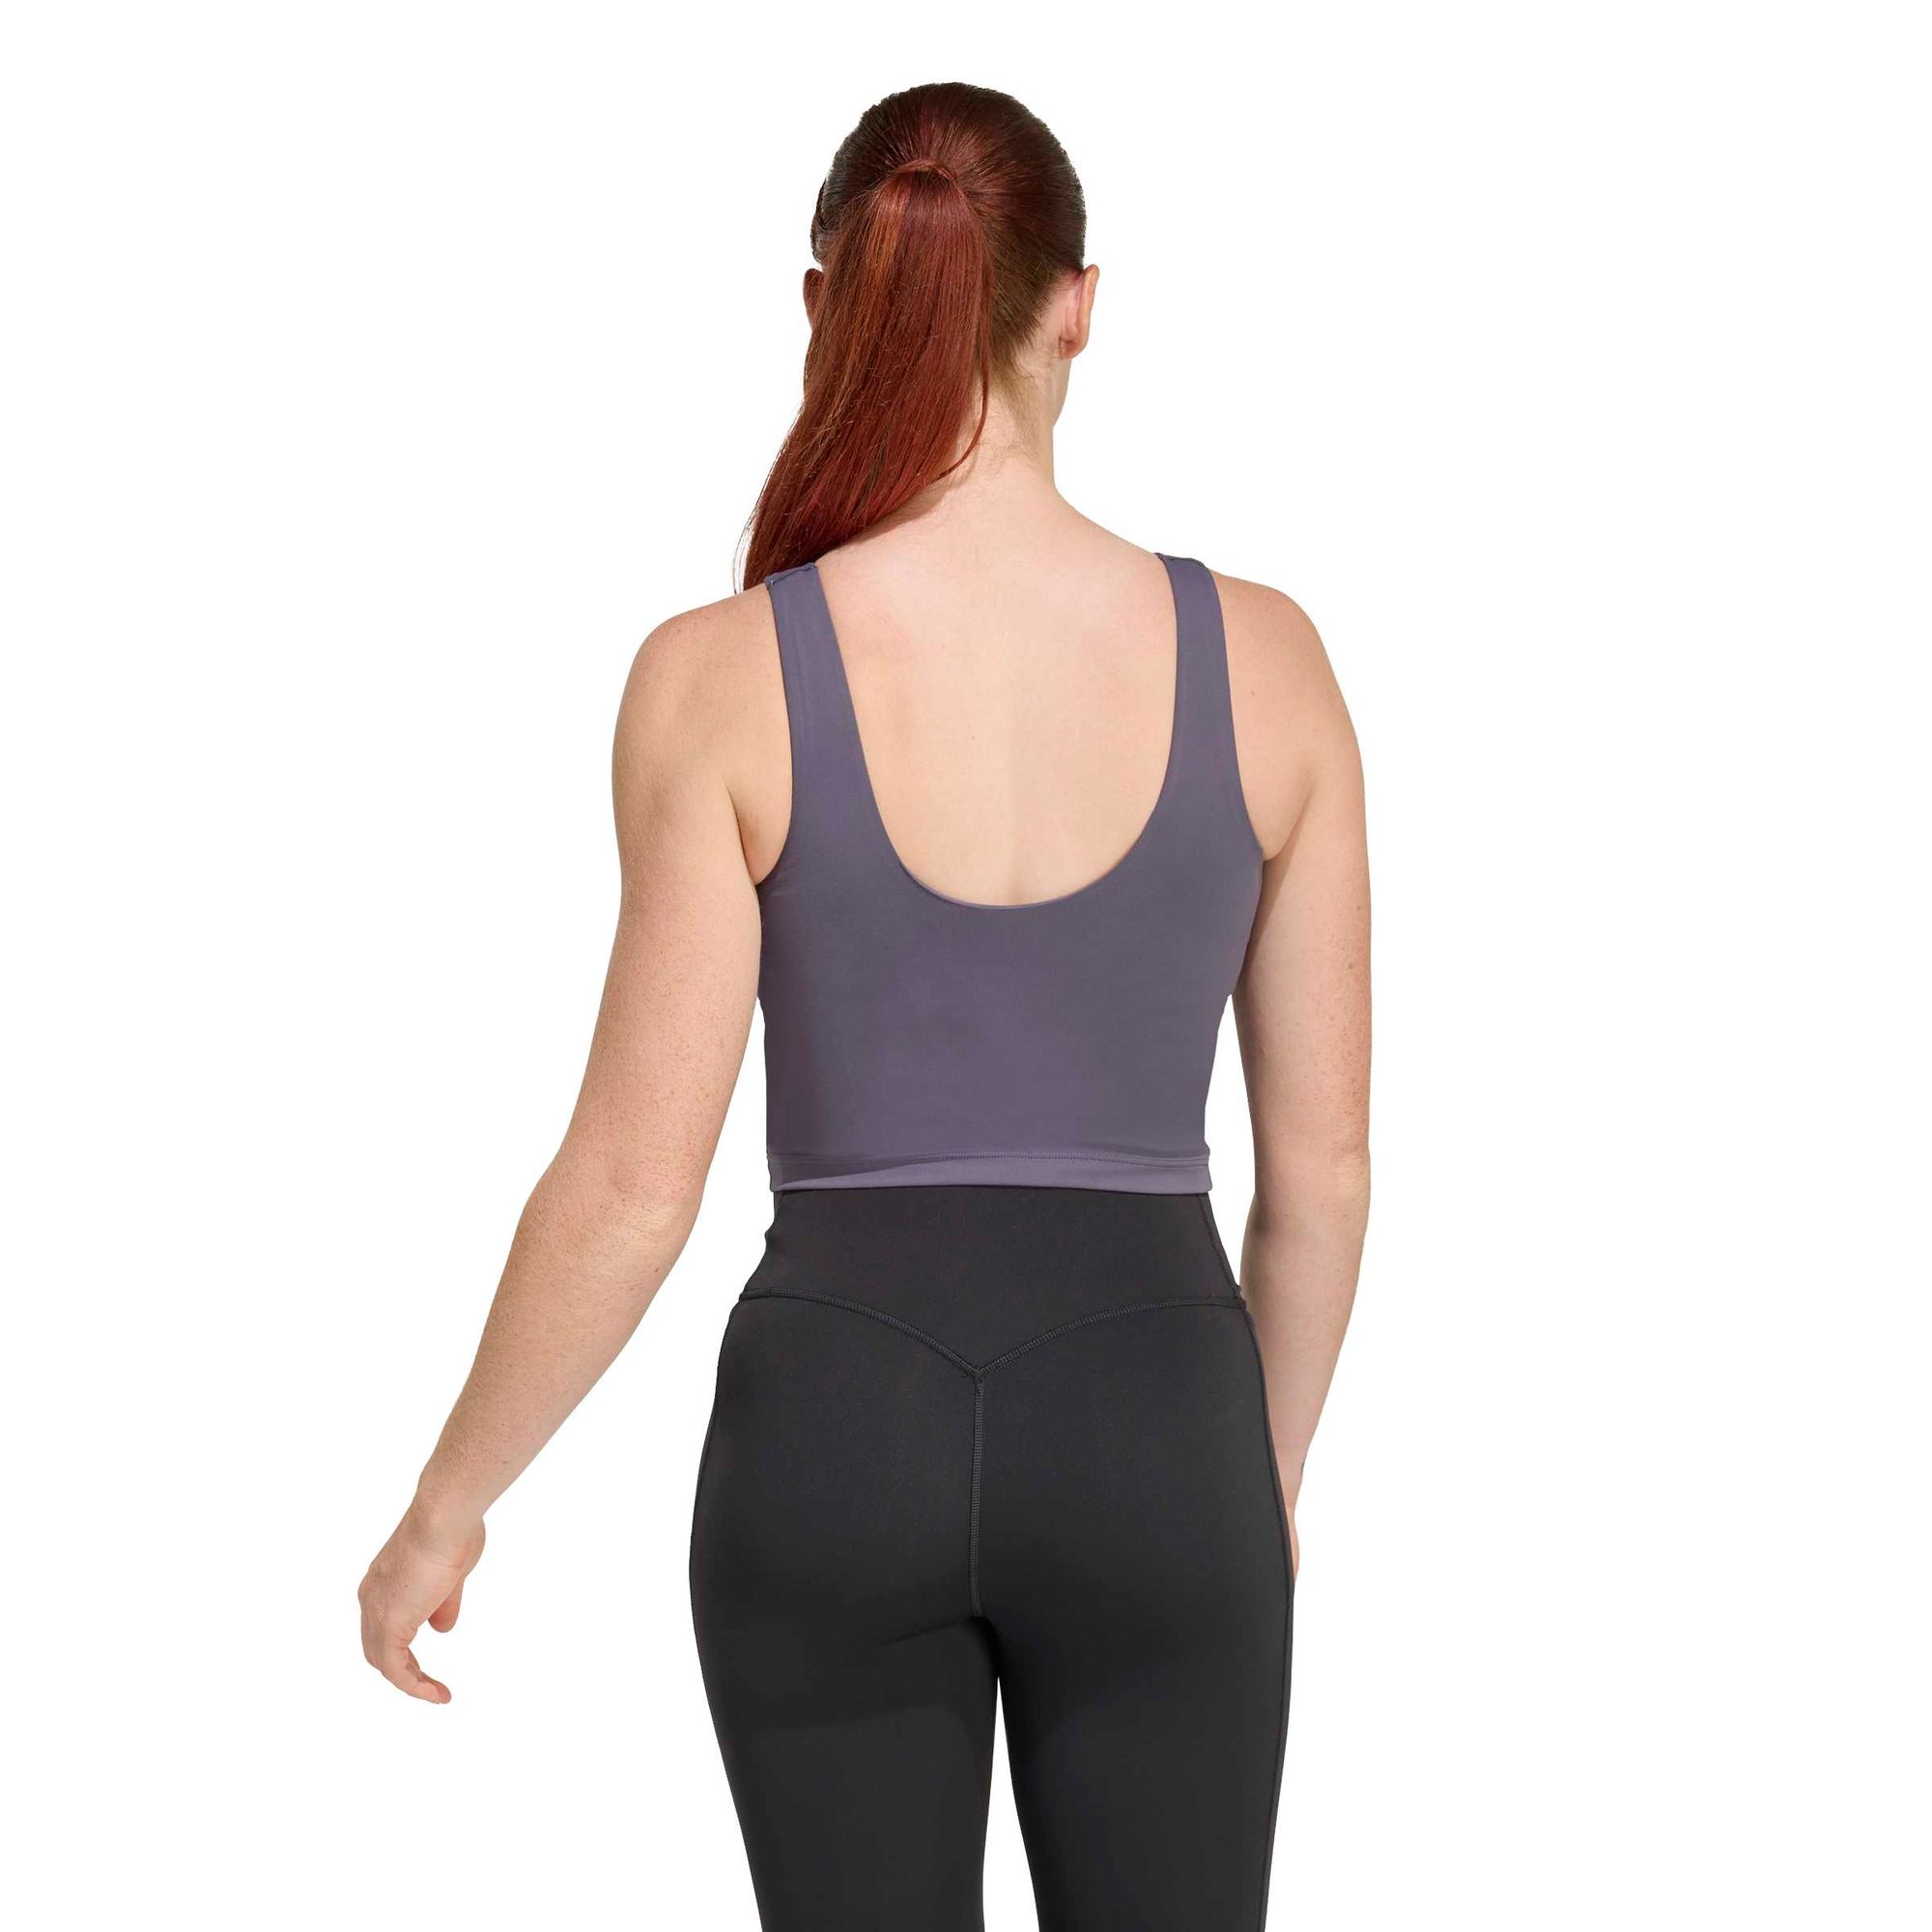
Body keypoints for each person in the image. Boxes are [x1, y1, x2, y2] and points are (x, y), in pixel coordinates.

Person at [359, 79, 1371, 1931]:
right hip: (1160, 1428)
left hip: (837, 1435)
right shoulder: (1274, 663)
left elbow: (630, 1188)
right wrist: (1253, 1483)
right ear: (1079, 306)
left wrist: (449, 1501)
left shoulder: (718, 676)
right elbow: (1321, 1181)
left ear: (828, 303)